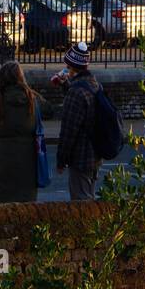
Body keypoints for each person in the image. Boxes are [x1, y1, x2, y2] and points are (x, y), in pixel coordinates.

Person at [0, 61, 57, 203]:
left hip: (1, 161)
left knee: (0, 204)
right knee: (25, 204)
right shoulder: (32, 100)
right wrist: (29, 90)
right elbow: (49, 109)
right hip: (28, 160)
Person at [54, 42, 102, 200]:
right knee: (90, 197)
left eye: (67, 66)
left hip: (81, 158)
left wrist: (61, 160)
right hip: (95, 154)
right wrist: (65, 86)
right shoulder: (94, 84)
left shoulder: (76, 93)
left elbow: (69, 130)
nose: (65, 70)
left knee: (82, 205)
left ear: (71, 67)